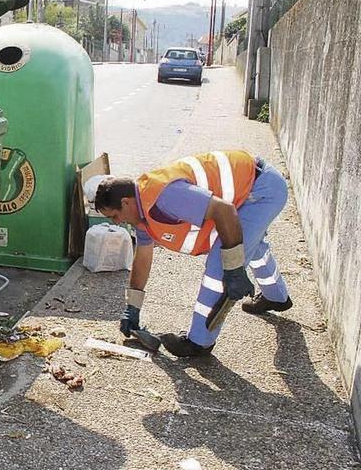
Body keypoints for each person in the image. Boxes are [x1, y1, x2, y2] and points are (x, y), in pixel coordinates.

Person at [90, 150, 292, 357]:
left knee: (221, 263)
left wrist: (233, 270)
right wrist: (132, 306)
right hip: (253, 186)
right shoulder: (141, 213)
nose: (116, 222)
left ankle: (199, 342)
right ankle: (276, 297)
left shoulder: (165, 197)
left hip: (261, 191)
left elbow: (224, 211)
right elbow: (142, 257)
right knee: (252, 246)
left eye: (114, 216)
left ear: (125, 202)